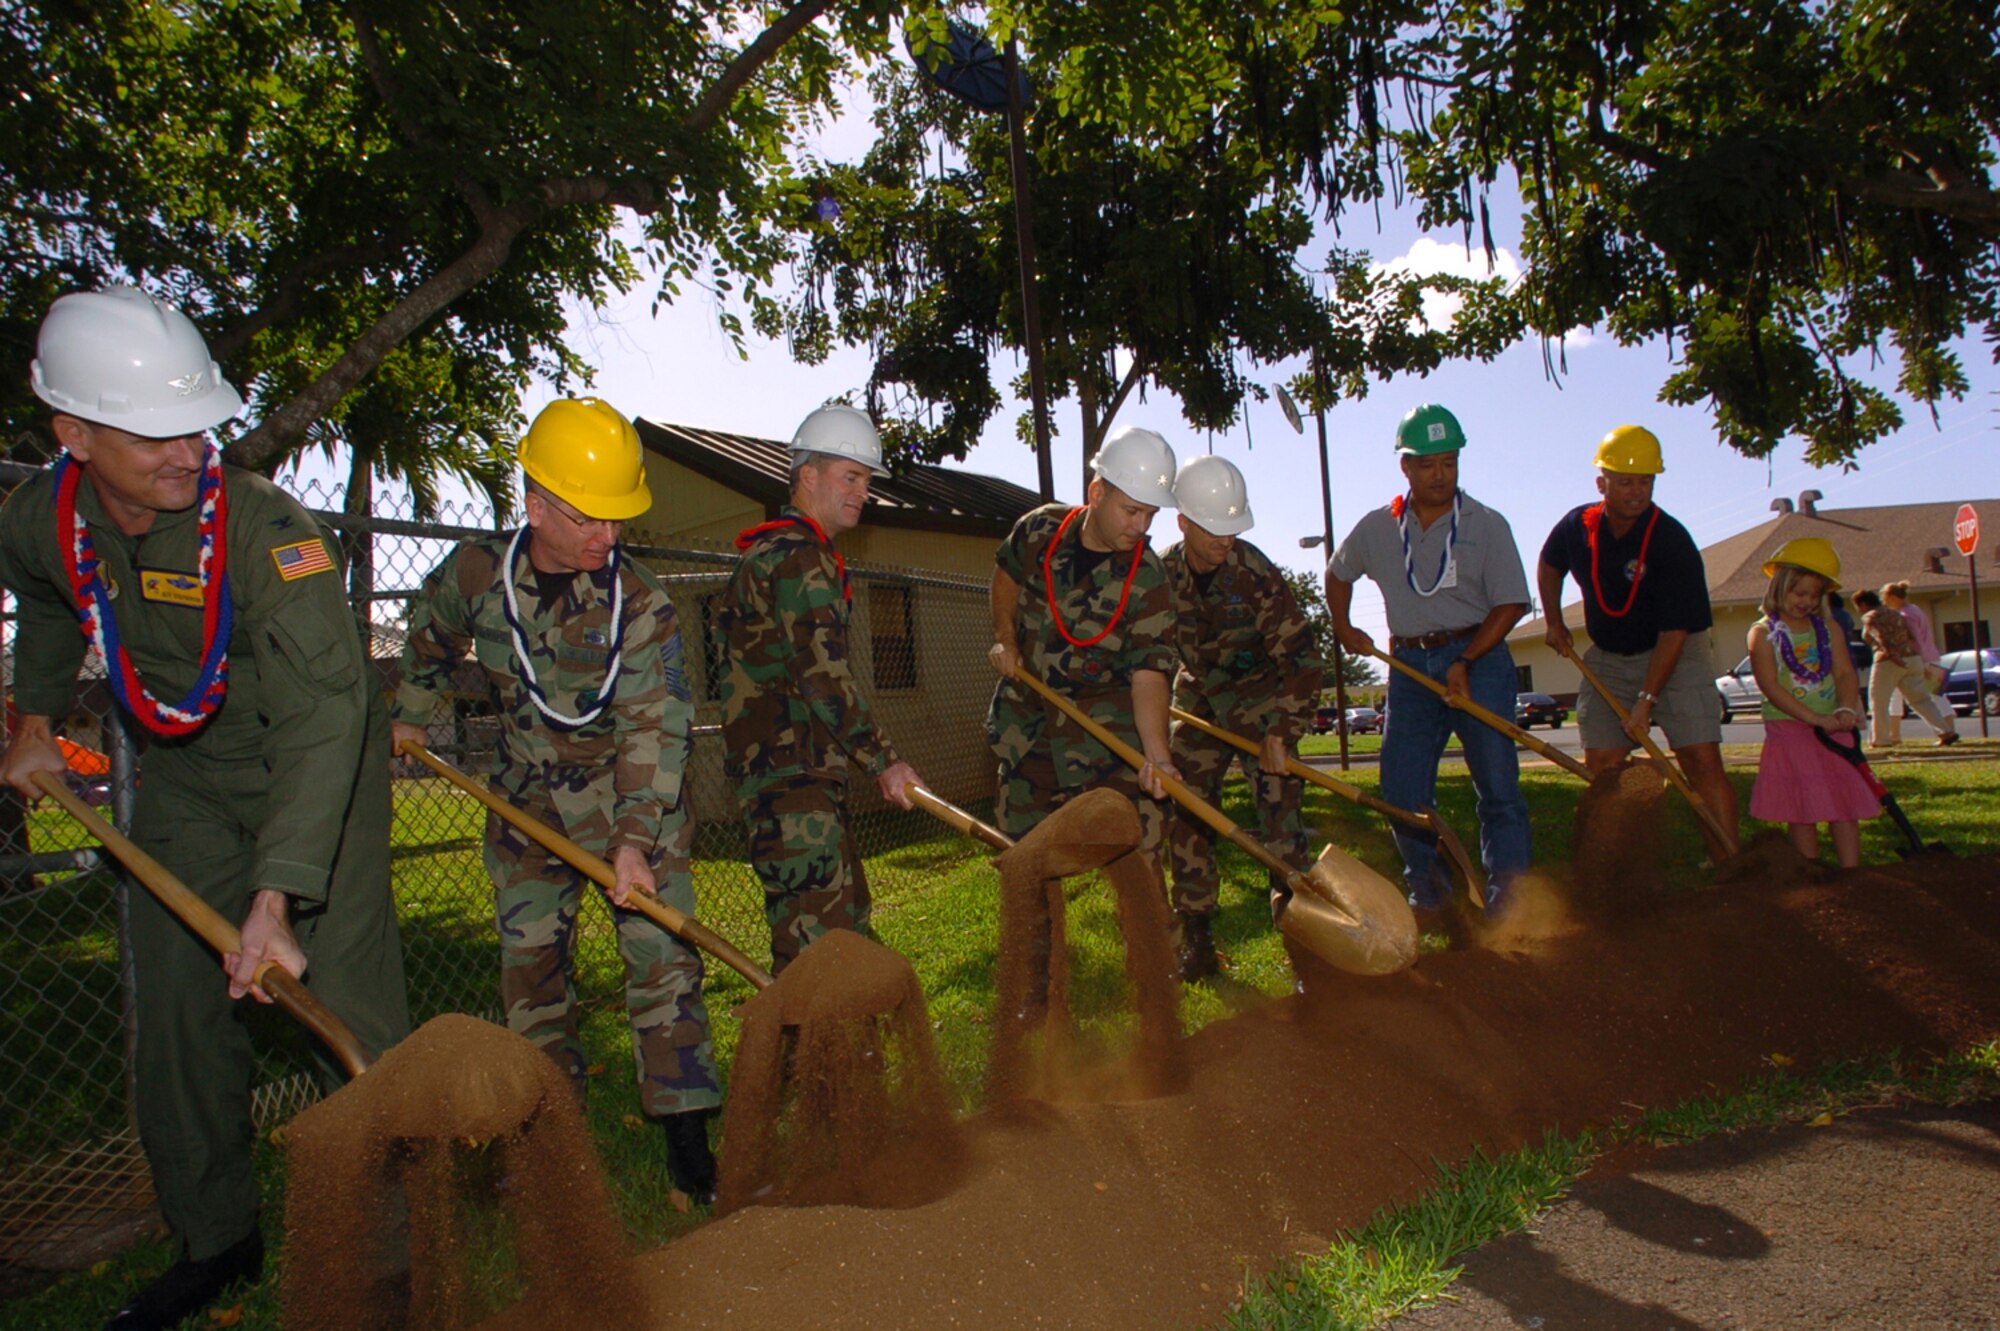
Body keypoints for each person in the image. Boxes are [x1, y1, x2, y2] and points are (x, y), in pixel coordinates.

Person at [0, 287, 410, 1329]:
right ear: (74, 434)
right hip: (181, 778)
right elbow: (47, 603)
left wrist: (278, 898)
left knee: (348, 1006)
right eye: (154, 437)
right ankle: (215, 1237)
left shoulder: (268, 533)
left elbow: (327, 713)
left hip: (312, 772)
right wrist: (37, 720)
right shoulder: (39, 520)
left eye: (198, 426)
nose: (188, 452)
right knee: (180, 1014)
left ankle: (390, 1242)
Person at [391, 397, 719, 1203]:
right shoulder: (476, 574)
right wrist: (411, 713)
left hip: (632, 802)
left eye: (619, 520)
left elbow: (655, 726)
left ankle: (687, 1147)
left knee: (663, 964)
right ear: (536, 504)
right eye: (590, 518)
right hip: (525, 805)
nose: (609, 537)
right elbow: (428, 635)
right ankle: (547, 1139)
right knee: (532, 978)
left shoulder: (642, 606)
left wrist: (636, 840)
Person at [719, 404, 921, 976]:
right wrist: (883, 761)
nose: (863, 492)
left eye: (867, 481)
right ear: (808, 476)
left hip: (797, 774)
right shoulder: (798, 558)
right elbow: (822, 675)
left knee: (844, 925)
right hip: (793, 778)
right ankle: (809, 1064)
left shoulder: (782, 552)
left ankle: (845, 1056)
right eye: (850, 477)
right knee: (819, 949)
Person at [1326, 403, 1532, 914]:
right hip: (1409, 669)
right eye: (1427, 464)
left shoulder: (1486, 524)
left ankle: (1510, 901)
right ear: (1406, 467)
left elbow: (1510, 603)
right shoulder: (1377, 528)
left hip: (1478, 659)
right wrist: (1344, 624)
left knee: (1499, 785)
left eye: (1449, 462)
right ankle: (1433, 894)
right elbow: (1338, 573)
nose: (1440, 474)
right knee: (1401, 789)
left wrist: (1468, 659)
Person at [1536, 425, 1739, 858]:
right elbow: (1550, 563)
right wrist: (1553, 620)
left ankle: (1730, 866)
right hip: (1607, 658)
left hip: (1675, 655)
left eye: (1646, 481)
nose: (1636, 491)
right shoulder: (1577, 525)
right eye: (1625, 481)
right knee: (1604, 767)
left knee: (1700, 761)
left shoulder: (1671, 540)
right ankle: (1620, 869)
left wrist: (1646, 700)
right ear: (1601, 483)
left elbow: (1675, 633)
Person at [1159, 456, 1322, 980]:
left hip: (1262, 697)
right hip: (1201, 697)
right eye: (1214, 530)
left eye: (1234, 528)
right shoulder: (1159, 576)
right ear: (1182, 522)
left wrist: (1282, 732)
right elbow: (1146, 655)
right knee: (1185, 807)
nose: (1226, 540)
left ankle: (1302, 940)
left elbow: (1301, 656)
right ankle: (1198, 937)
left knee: (1280, 817)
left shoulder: (1255, 574)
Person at [986, 426, 1180, 856]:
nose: (1141, 526)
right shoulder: (1039, 529)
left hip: (1106, 740)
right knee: (1022, 859)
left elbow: (1149, 674)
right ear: (1097, 493)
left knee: (1135, 855)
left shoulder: (1147, 576)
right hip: (1029, 730)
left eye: (1151, 514)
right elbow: (1006, 576)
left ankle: (1155, 926)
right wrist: (1005, 638)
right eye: (1131, 511)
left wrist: (1157, 757)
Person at [1746, 538, 1877, 866]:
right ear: (1779, 588)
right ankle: (1811, 870)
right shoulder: (1762, 634)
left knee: (1843, 800)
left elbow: (1845, 674)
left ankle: (1852, 871)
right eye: (1798, 593)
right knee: (1802, 806)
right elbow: (1770, 686)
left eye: (1814, 595)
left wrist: (1845, 708)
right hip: (1790, 728)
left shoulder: (1828, 627)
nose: (1806, 601)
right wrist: (1811, 718)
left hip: (1835, 726)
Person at [1852, 588, 1958, 747]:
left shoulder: (1870, 616)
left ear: (1863, 604)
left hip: (1888, 661)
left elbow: (1879, 636)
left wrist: (1891, 654)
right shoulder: (1895, 613)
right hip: (1912, 658)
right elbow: (1910, 635)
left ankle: (1881, 740)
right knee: (1921, 699)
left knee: (1879, 701)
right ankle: (1945, 731)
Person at [1882, 581, 1946, 690]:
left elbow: (1916, 640)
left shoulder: (1905, 616)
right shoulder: (1915, 609)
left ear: (1893, 598)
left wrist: (1921, 661)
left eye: (1887, 600)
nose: (1886, 604)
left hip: (1923, 660)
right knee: (1937, 696)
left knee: (1900, 692)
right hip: (1933, 657)